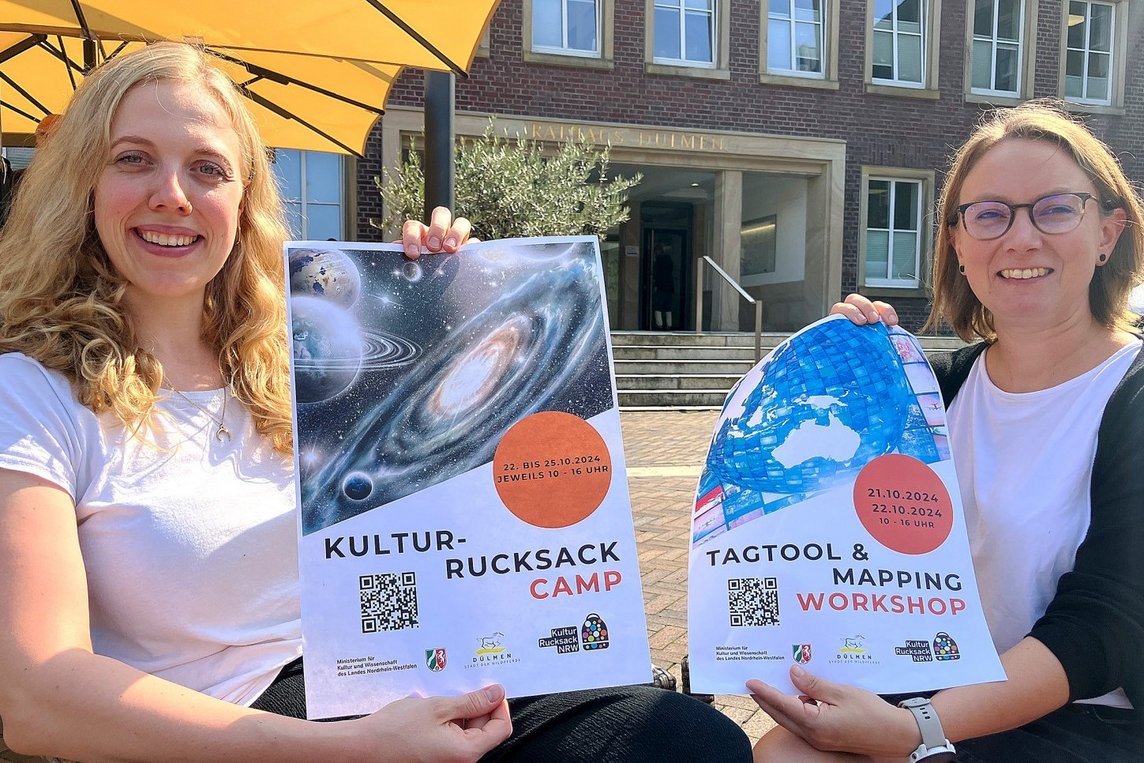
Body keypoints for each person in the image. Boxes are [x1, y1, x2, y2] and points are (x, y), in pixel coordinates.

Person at [0, 43, 751, 762]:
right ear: (85, 183)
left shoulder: (299, 363)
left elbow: (448, 486)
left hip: (405, 669)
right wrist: (351, 749)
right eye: (134, 159)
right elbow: (35, 696)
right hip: (245, 722)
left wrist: (439, 303)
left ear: (242, 201)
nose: (173, 194)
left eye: (207, 168)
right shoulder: (33, 393)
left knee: (691, 742)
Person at [748, 101, 1143, 761]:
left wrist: (917, 730)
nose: (1020, 238)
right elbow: (829, 528)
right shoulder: (929, 391)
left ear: (1108, 232)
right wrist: (839, 371)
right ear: (958, 244)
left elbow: (1105, 623)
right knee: (781, 753)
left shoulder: (1129, 396)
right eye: (989, 214)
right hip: (929, 682)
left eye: (1055, 208)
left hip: (1081, 720)